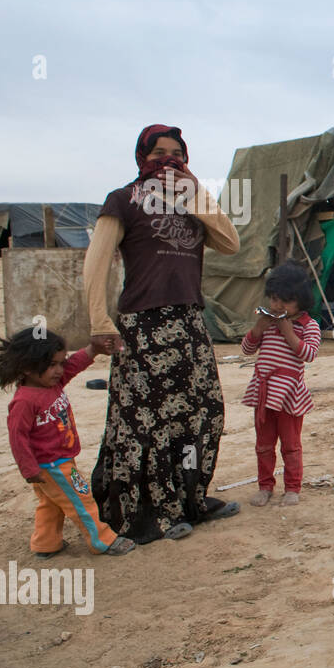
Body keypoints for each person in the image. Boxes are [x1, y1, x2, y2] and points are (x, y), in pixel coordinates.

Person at [82, 124, 242, 543]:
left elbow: (230, 242)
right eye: (159, 154)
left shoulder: (191, 203)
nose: (169, 161)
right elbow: (96, 264)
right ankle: (142, 512)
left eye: (178, 154)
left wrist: (193, 193)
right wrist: (100, 322)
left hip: (190, 322)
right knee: (146, 423)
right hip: (144, 326)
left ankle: (189, 500)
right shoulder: (123, 200)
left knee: (200, 413)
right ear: (141, 158)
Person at [0, 327, 135, 557]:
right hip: (53, 466)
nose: (60, 370)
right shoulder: (24, 401)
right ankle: (102, 541)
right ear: (29, 367)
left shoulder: (52, 383)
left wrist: (92, 350)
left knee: (51, 505)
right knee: (82, 501)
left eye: (61, 363)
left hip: (56, 463)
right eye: (52, 365)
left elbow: (74, 365)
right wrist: (28, 469)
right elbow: (17, 438)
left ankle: (46, 544)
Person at [241, 260, 323, 508]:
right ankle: (265, 486)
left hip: (289, 396)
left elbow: (309, 354)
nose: (277, 306)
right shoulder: (265, 322)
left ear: (301, 300)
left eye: (284, 301)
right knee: (264, 445)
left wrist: (288, 331)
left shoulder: (309, 325)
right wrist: (258, 328)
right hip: (263, 393)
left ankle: (292, 487)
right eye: (273, 299)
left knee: (290, 445)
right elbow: (246, 350)